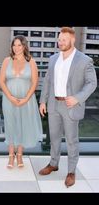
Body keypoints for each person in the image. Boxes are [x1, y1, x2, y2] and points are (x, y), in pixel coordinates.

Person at [39, 27, 97, 187]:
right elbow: (47, 81)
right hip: (53, 104)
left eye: (63, 39)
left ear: (72, 40)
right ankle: (53, 163)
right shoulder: (53, 59)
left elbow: (92, 83)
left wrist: (77, 98)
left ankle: (71, 171)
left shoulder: (84, 60)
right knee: (54, 138)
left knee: (72, 140)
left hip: (70, 105)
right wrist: (42, 101)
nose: (60, 42)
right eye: (59, 39)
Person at [0, 35, 43, 168]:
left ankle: (20, 155)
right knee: (11, 125)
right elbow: (1, 81)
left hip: (27, 100)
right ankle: (11, 156)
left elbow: (35, 83)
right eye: (14, 45)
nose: (16, 48)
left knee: (22, 125)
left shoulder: (32, 62)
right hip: (8, 99)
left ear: (24, 46)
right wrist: (11, 97)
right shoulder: (7, 61)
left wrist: (25, 99)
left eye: (19, 45)